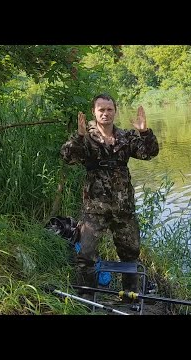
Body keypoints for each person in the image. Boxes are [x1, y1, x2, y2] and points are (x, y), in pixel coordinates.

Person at [60, 93, 159, 298]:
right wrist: (78, 136)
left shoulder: (126, 136)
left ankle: (130, 294)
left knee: (130, 253)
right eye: (101, 110)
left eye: (109, 109)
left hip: (123, 207)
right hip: (94, 208)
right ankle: (88, 294)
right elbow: (67, 157)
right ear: (94, 112)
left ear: (115, 111)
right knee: (85, 254)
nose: (105, 113)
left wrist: (144, 132)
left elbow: (149, 153)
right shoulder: (86, 138)